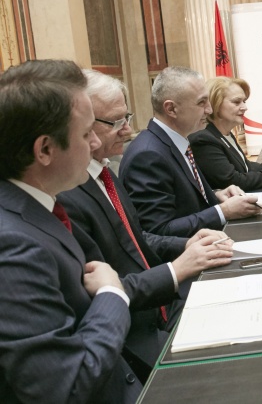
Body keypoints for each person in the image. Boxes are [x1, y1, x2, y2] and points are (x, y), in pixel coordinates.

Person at [58, 70, 234, 379]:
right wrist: (177, 270)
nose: (127, 130)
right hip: (133, 334)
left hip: (157, 305)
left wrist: (187, 245)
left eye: (126, 117)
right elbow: (100, 287)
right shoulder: (67, 194)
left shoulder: (103, 172)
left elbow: (135, 240)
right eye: (115, 122)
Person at [0, 59, 141, 403]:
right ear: (45, 149)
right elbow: (64, 386)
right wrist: (112, 295)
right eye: (85, 132)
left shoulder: (38, 206)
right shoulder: (13, 244)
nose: (95, 144)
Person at [120, 67, 261, 238]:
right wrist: (222, 211)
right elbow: (158, 231)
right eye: (201, 103)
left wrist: (216, 196)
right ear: (171, 109)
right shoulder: (148, 156)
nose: (209, 110)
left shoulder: (177, 141)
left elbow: (183, 202)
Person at [189, 77, 262, 191]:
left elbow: (244, 166)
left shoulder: (225, 134)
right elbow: (232, 181)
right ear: (215, 104)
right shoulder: (203, 139)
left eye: (244, 102)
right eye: (236, 102)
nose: (245, 108)